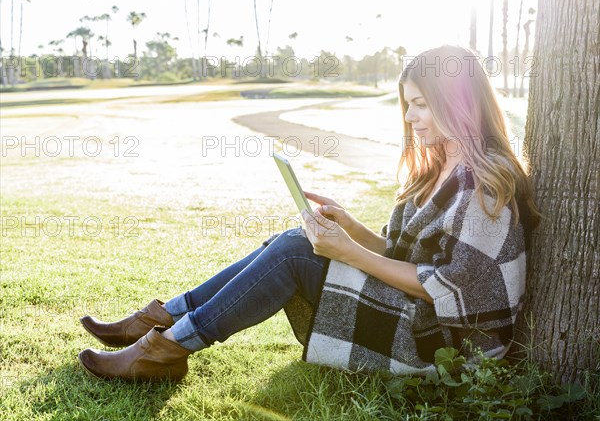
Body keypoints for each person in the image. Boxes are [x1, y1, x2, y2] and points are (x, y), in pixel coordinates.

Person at [77, 44, 542, 381]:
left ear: (455, 104)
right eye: (408, 105)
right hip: (420, 316)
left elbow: (452, 291)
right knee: (291, 241)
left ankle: (164, 348)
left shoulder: (487, 186)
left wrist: (352, 254)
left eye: (420, 105)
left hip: (446, 347)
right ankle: (164, 323)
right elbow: (403, 253)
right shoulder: (438, 168)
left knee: (296, 252)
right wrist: (351, 227)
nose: (410, 117)